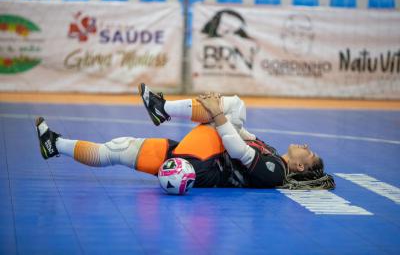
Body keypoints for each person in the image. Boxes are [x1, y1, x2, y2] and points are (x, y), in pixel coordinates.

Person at [35, 83, 335, 189]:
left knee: (233, 108)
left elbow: (237, 151)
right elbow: (240, 132)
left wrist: (218, 114)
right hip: (197, 154)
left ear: (299, 168)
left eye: (309, 154)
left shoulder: (276, 172)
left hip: (205, 165)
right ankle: (55, 145)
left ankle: (162, 108)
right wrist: (220, 111)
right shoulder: (270, 150)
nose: (305, 147)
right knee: (119, 148)